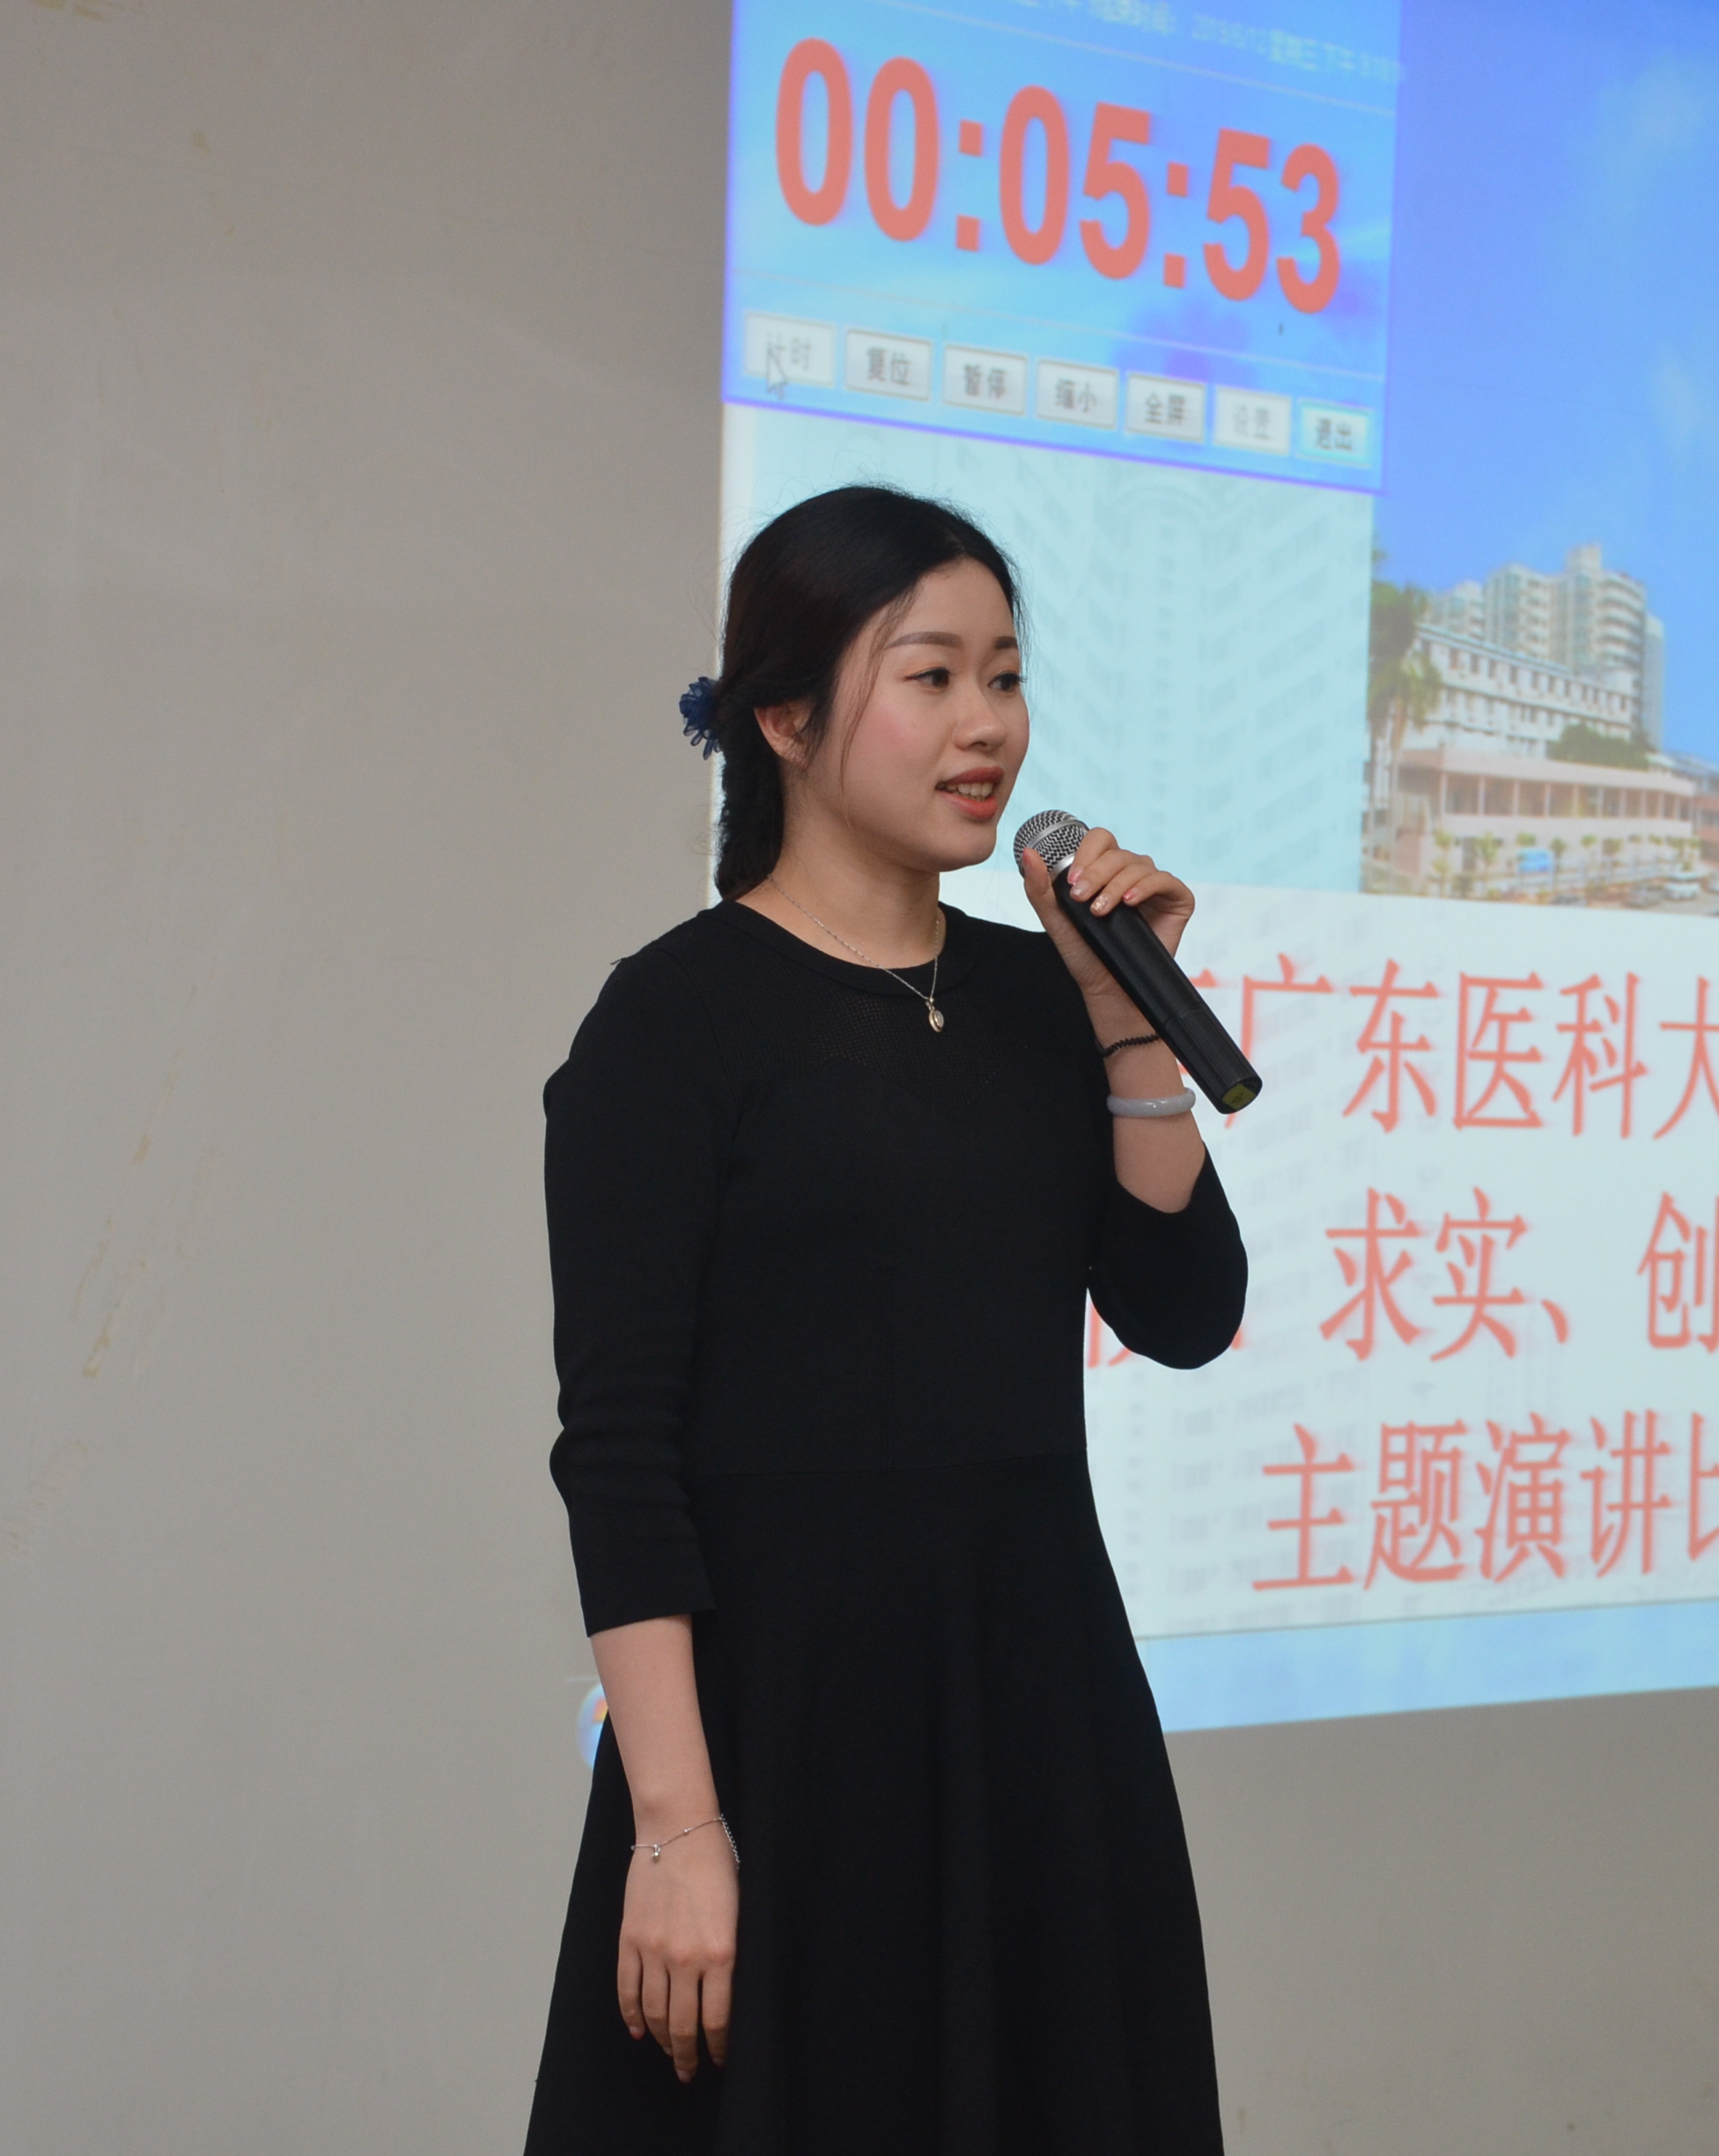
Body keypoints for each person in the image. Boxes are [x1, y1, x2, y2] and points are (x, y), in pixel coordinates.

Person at [520, 484, 1247, 2154]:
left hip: (1038, 1720)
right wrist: (677, 1827)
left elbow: (1185, 1309)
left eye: (1006, 675)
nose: (987, 724)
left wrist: (1127, 1019)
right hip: (783, 1741)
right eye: (932, 677)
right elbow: (618, 1455)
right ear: (783, 719)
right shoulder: (672, 1022)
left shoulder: (1038, 997)